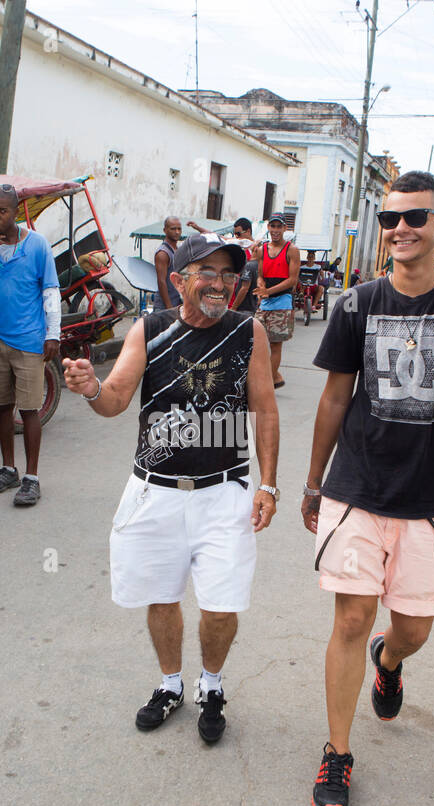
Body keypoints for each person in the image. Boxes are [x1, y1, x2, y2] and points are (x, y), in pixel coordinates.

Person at [301, 170, 434, 806]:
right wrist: (314, 481)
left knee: (415, 627)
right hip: (357, 486)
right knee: (349, 617)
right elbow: (335, 395)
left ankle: (389, 662)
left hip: (427, 492)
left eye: (416, 218)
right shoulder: (356, 303)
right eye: (391, 218)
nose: (400, 229)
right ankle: (337, 752)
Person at [62, 233, 280, 744]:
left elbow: (265, 410)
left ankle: (211, 684)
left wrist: (268, 484)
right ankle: (169, 685)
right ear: (178, 281)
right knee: (160, 597)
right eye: (208, 273)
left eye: (229, 276)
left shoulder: (250, 333)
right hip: (155, 490)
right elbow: (115, 398)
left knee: (221, 606)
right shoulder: (150, 329)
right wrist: (91, 387)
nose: (221, 284)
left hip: (224, 491)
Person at [0, 182, 61, 507]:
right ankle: (9, 469)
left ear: (15, 212)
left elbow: (50, 290)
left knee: (29, 409)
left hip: (30, 341)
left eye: (1, 210)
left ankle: (31, 478)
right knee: (1, 407)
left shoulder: (37, 245)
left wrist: (53, 334)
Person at [253, 215, 300, 389]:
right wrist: (261, 285)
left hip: (282, 302)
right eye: (272, 226)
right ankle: (274, 376)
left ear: (284, 228)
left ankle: (267, 382)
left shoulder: (292, 250)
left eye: (278, 227)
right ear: (268, 227)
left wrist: (268, 291)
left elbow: (292, 280)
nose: (275, 230)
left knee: (275, 344)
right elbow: (260, 274)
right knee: (257, 341)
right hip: (265, 303)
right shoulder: (263, 249)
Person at [152, 217, 208, 312]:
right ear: (165, 230)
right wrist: (169, 308)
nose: (177, 232)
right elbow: (161, 282)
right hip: (164, 306)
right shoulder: (163, 253)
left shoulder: (177, 250)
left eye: (179, 229)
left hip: (176, 302)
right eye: (173, 229)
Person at [229, 217, 260, 314]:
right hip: (234, 298)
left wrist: (234, 307)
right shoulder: (238, 247)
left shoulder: (257, 250)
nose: (237, 237)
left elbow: (245, 287)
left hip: (246, 304)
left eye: (238, 234)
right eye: (235, 234)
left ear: (248, 231)